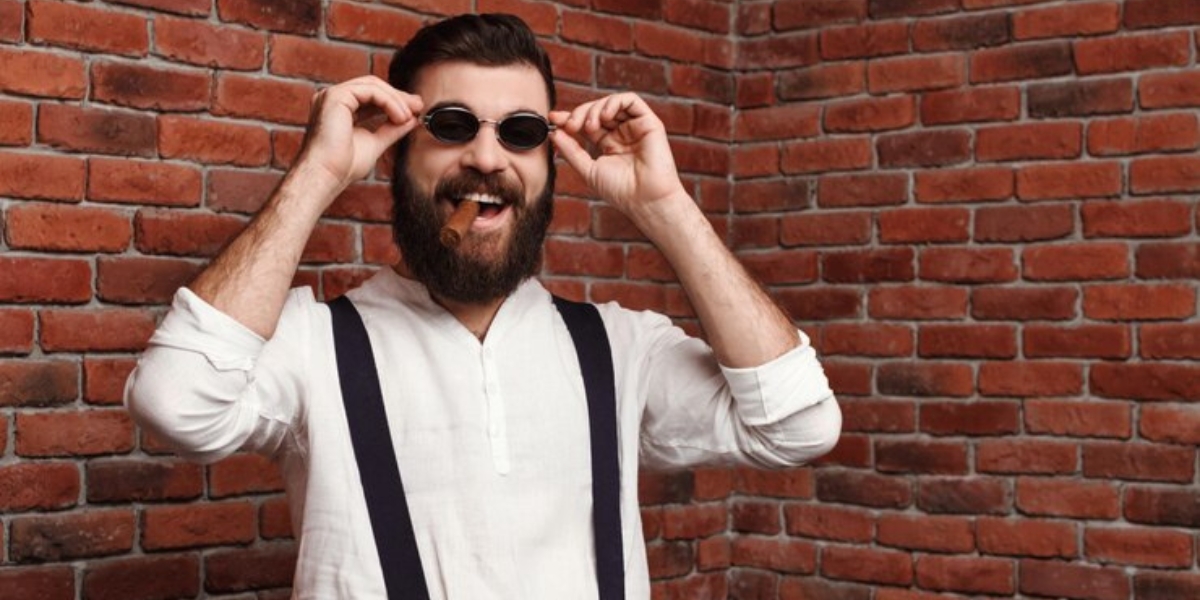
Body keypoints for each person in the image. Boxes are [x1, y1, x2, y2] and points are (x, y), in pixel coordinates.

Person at [125, 13, 840, 600]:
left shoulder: (618, 349)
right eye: (455, 125)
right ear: (396, 157)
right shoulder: (316, 344)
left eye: (521, 132)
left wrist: (666, 207)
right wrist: (318, 173)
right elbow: (176, 402)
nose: (489, 159)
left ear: (549, 165)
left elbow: (799, 425)